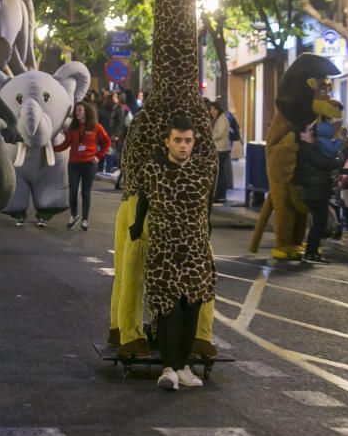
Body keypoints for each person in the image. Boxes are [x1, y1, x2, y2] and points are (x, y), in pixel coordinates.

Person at [128, 116, 215, 390]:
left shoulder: (202, 171)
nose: (183, 146)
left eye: (188, 140)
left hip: (195, 253)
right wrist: (137, 225)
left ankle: (184, 367)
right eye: (177, 140)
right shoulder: (153, 170)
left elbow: (207, 207)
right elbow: (143, 200)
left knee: (192, 310)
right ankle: (168, 368)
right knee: (168, 311)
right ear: (167, 141)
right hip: (164, 253)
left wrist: (204, 238)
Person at [54, 101, 110, 232]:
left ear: (86, 112)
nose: (77, 113)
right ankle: (74, 216)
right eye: (76, 111)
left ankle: (85, 219)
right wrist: (51, 148)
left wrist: (98, 156)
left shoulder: (96, 127)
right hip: (74, 164)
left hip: (89, 164)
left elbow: (107, 142)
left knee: (86, 192)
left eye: (79, 110)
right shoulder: (73, 128)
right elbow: (65, 144)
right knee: (73, 192)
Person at [296, 122, 343, 264]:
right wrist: (340, 161)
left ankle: (312, 251)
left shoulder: (307, 148)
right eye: (308, 130)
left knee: (319, 221)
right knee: (319, 222)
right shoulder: (307, 149)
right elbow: (324, 164)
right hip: (315, 190)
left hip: (315, 189)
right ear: (301, 134)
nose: (312, 132)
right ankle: (311, 252)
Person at [209, 101, 231, 204]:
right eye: (211, 109)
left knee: (220, 173)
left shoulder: (222, 119)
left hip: (221, 149)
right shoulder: (218, 119)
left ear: (218, 109)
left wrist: (209, 136)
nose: (212, 111)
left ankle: (221, 195)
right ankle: (219, 194)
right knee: (220, 172)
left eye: (214, 109)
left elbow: (220, 134)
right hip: (219, 148)